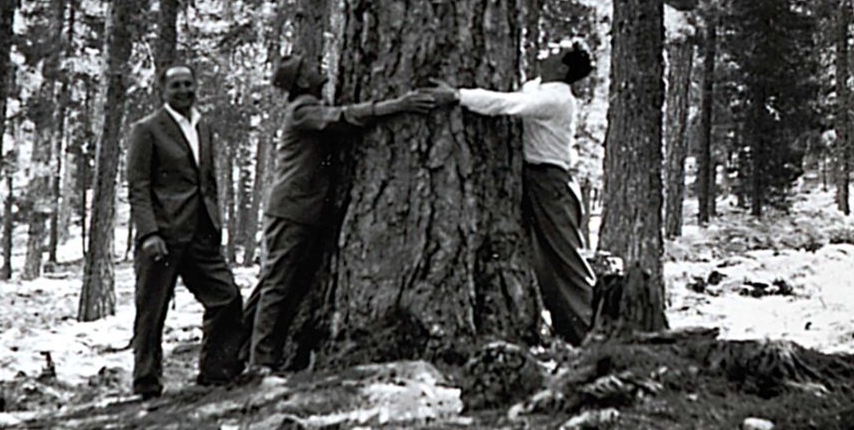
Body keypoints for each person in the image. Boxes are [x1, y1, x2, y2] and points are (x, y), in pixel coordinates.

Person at [243, 53, 437, 376]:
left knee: (277, 285)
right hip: (292, 211)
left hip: (303, 210)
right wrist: (399, 105)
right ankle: (259, 361)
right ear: (302, 82)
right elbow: (344, 117)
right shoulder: (303, 109)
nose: (316, 69)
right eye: (309, 67)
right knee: (277, 286)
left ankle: (240, 353)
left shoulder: (308, 106)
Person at [426, 45, 597, 346]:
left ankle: (591, 334)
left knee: (564, 261)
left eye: (558, 51)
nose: (549, 49)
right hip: (541, 180)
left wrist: (457, 95)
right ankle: (575, 334)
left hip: (551, 183)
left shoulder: (555, 98)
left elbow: (505, 104)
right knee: (547, 263)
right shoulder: (542, 87)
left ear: (562, 70)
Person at [127, 64, 245, 398]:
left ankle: (216, 374)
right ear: (162, 90)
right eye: (176, 85)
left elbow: (206, 180)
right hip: (163, 236)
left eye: (189, 84)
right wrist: (149, 233)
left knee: (226, 297)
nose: (184, 91)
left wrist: (216, 222)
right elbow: (138, 185)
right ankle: (146, 384)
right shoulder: (147, 129)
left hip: (201, 235)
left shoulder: (203, 126)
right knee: (152, 312)